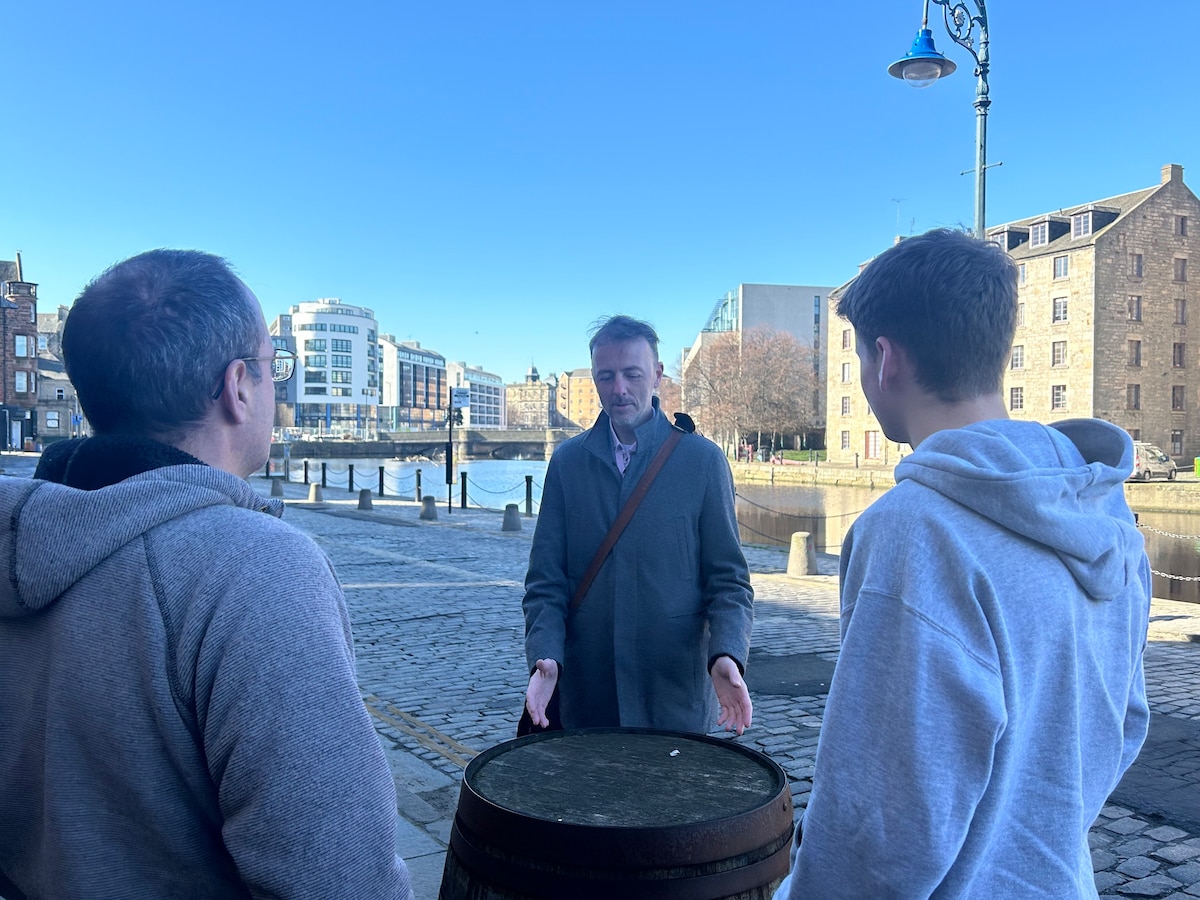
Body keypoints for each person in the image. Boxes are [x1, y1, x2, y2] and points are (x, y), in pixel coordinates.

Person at [0, 250, 412, 899]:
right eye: (276, 366)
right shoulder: (255, 569)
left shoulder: (20, 535)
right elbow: (339, 878)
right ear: (238, 385)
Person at [775, 229, 1150, 897]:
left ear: (885, 358)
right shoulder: (1107, 514)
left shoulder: (910, 531)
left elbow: (882, 825)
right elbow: (1125, 721)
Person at [522, 314, 754, 735]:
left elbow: (729, 581)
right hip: (589, 697)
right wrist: (546, 656)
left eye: (632, 374)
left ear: (658, 375)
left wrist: (727, 655)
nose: (619, 389)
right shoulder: (568, 463)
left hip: (672, 698)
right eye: (606, 376)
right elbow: (545, 581)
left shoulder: (701, 462)